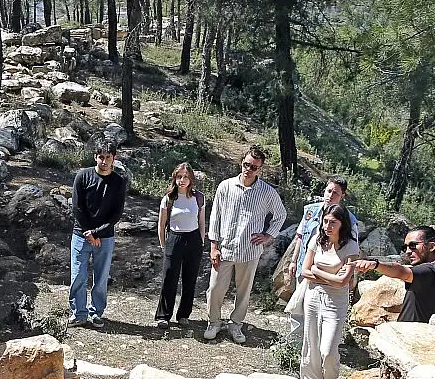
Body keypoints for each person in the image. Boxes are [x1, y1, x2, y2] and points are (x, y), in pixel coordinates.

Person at [204, 145, 286, 343]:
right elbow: (215, 216)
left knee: (244, 291)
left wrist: (267, 235)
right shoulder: (226, 186)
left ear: (260, 169)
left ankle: (236, 324)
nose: (249, 169)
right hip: (225, 248)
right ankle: (214, 322)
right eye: (246, 164)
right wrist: (213, 246)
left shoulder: (267, 192)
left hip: (249, 250)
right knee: (214, 288)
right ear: (241, 163)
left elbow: (280, 215)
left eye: (254, 167)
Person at [287, 177, 359, 345]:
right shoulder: (310, 211)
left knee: (321, 311)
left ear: (342, 196)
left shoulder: (349, 220)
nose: (331, 195)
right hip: (305, 266)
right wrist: (293, 260)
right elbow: (300, 237)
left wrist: (349, 276)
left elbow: (352, 250)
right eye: (329, 191)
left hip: (331, 272)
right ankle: (295, 345)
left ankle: (318, 344)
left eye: (336, 193)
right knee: (299, 305)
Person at [69, 140, 129, 327]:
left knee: (101, 278)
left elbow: (116, 213)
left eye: (108, 157)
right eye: (101, 157)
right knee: (78, 275)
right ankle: (79, 313)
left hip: (105, 236)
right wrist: (88, 233)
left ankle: (96, 313)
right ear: (95, 157)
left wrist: (96, 232)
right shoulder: (83, 176)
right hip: (80, 234)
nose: (104, 161)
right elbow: (77, 207)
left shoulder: (119, 182)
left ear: (114, 158)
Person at [299, 203, 360, 379]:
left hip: (336, 301)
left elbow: (343, 282)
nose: (328, 226)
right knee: (311, 343)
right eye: (325, 221)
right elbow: (305, 271)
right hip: (313, 296)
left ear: (342, 224)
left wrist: (317, 271)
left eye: (333, 222)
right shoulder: (317, 240)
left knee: (328, 350)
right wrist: (331, 278)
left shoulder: (351, 246)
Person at [353, 225, 435, 323]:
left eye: (413, 246)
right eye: (405, 247)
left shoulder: (430, 271)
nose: (408, 252)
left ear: (431, 246)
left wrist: (375, 265)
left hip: (411, 333)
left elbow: (402, 272)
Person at [154, 163, 207, 328]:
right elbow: (161, 225)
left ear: (191, 179)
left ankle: (184, 314)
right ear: (174, 178)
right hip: (174, 239)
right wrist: (164, 245)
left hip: (193, 239)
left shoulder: (199, 197)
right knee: (169, 278)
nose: (182, 180)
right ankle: (163, 316)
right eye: (179, 177)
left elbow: (201, 222)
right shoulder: (168, 199)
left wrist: (201, 241)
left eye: (186, 177)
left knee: (190, 279)